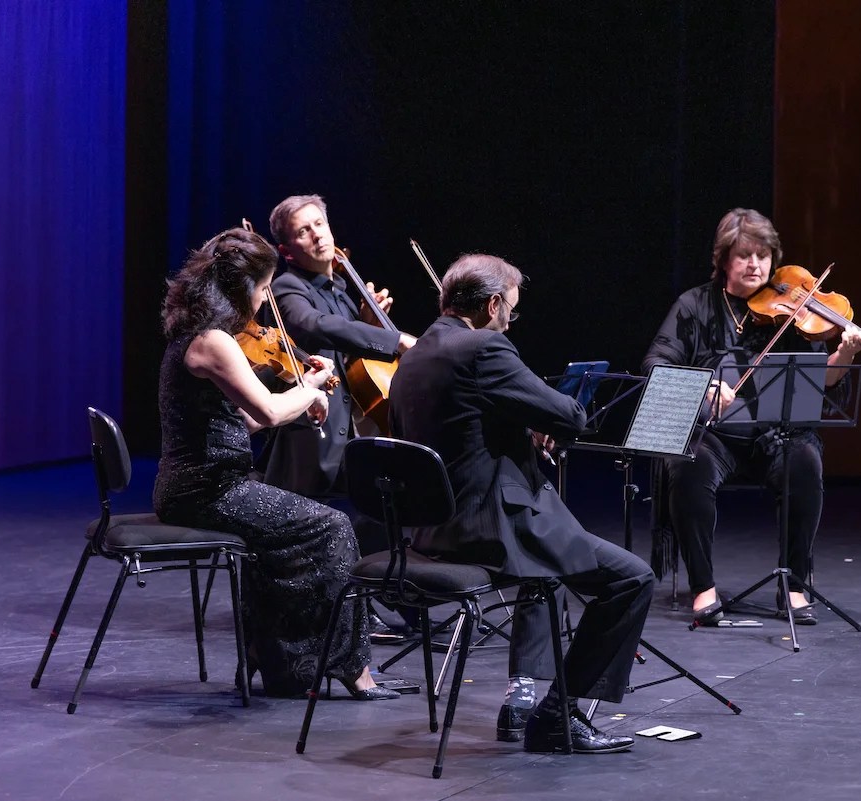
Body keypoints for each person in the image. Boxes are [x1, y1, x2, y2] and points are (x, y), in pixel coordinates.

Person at [387, 253, 654, 754]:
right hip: (490, 526)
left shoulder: (416, 355)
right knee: (631, 579)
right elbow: (570, 417)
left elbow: (458, 429)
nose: (510, 318)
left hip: (431, 529)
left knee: (547, 573)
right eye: (510, 308)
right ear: (491, 305)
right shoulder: (486, 347)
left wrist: (515, 425)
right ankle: (558, 715)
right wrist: (538, 419)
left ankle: (526, 697)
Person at [152, 227, 398, 701]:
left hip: (203, 485)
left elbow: (243, 420)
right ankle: (354, 668)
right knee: (333, 527)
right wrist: (308, 391)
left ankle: (286, 668)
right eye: (264, 289)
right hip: (207, 490)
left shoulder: (198, 335)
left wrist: (297, 398)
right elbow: (265, 411)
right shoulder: (213, 341)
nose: (266, 302)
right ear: (243, 289)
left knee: (283, 544)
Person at [641, 208, 861, 626]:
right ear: (724, 259)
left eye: (763, 256)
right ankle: (703, 588)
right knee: (685, 464)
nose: (755, 265)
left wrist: (847, 352)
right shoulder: (694, 305)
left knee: (806, 462)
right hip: (715, 437)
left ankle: (794, 585)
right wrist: (704, 386)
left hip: (775, 435)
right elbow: (656, 362)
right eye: (744, 255)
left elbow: (823, 379)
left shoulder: (793, 310)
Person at [261, 194, 419, 642]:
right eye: (303, 231)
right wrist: (389, 338)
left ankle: (369, 593)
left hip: (352, 433)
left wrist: (368, 319)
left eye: (319, 224)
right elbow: (314, 327)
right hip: (312, 436)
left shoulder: (343, 292)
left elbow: (348, 355)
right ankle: (352, 599)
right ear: (287, 250)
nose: (317, 235)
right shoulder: (289, 288)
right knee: (350, 515)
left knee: (396, 501)